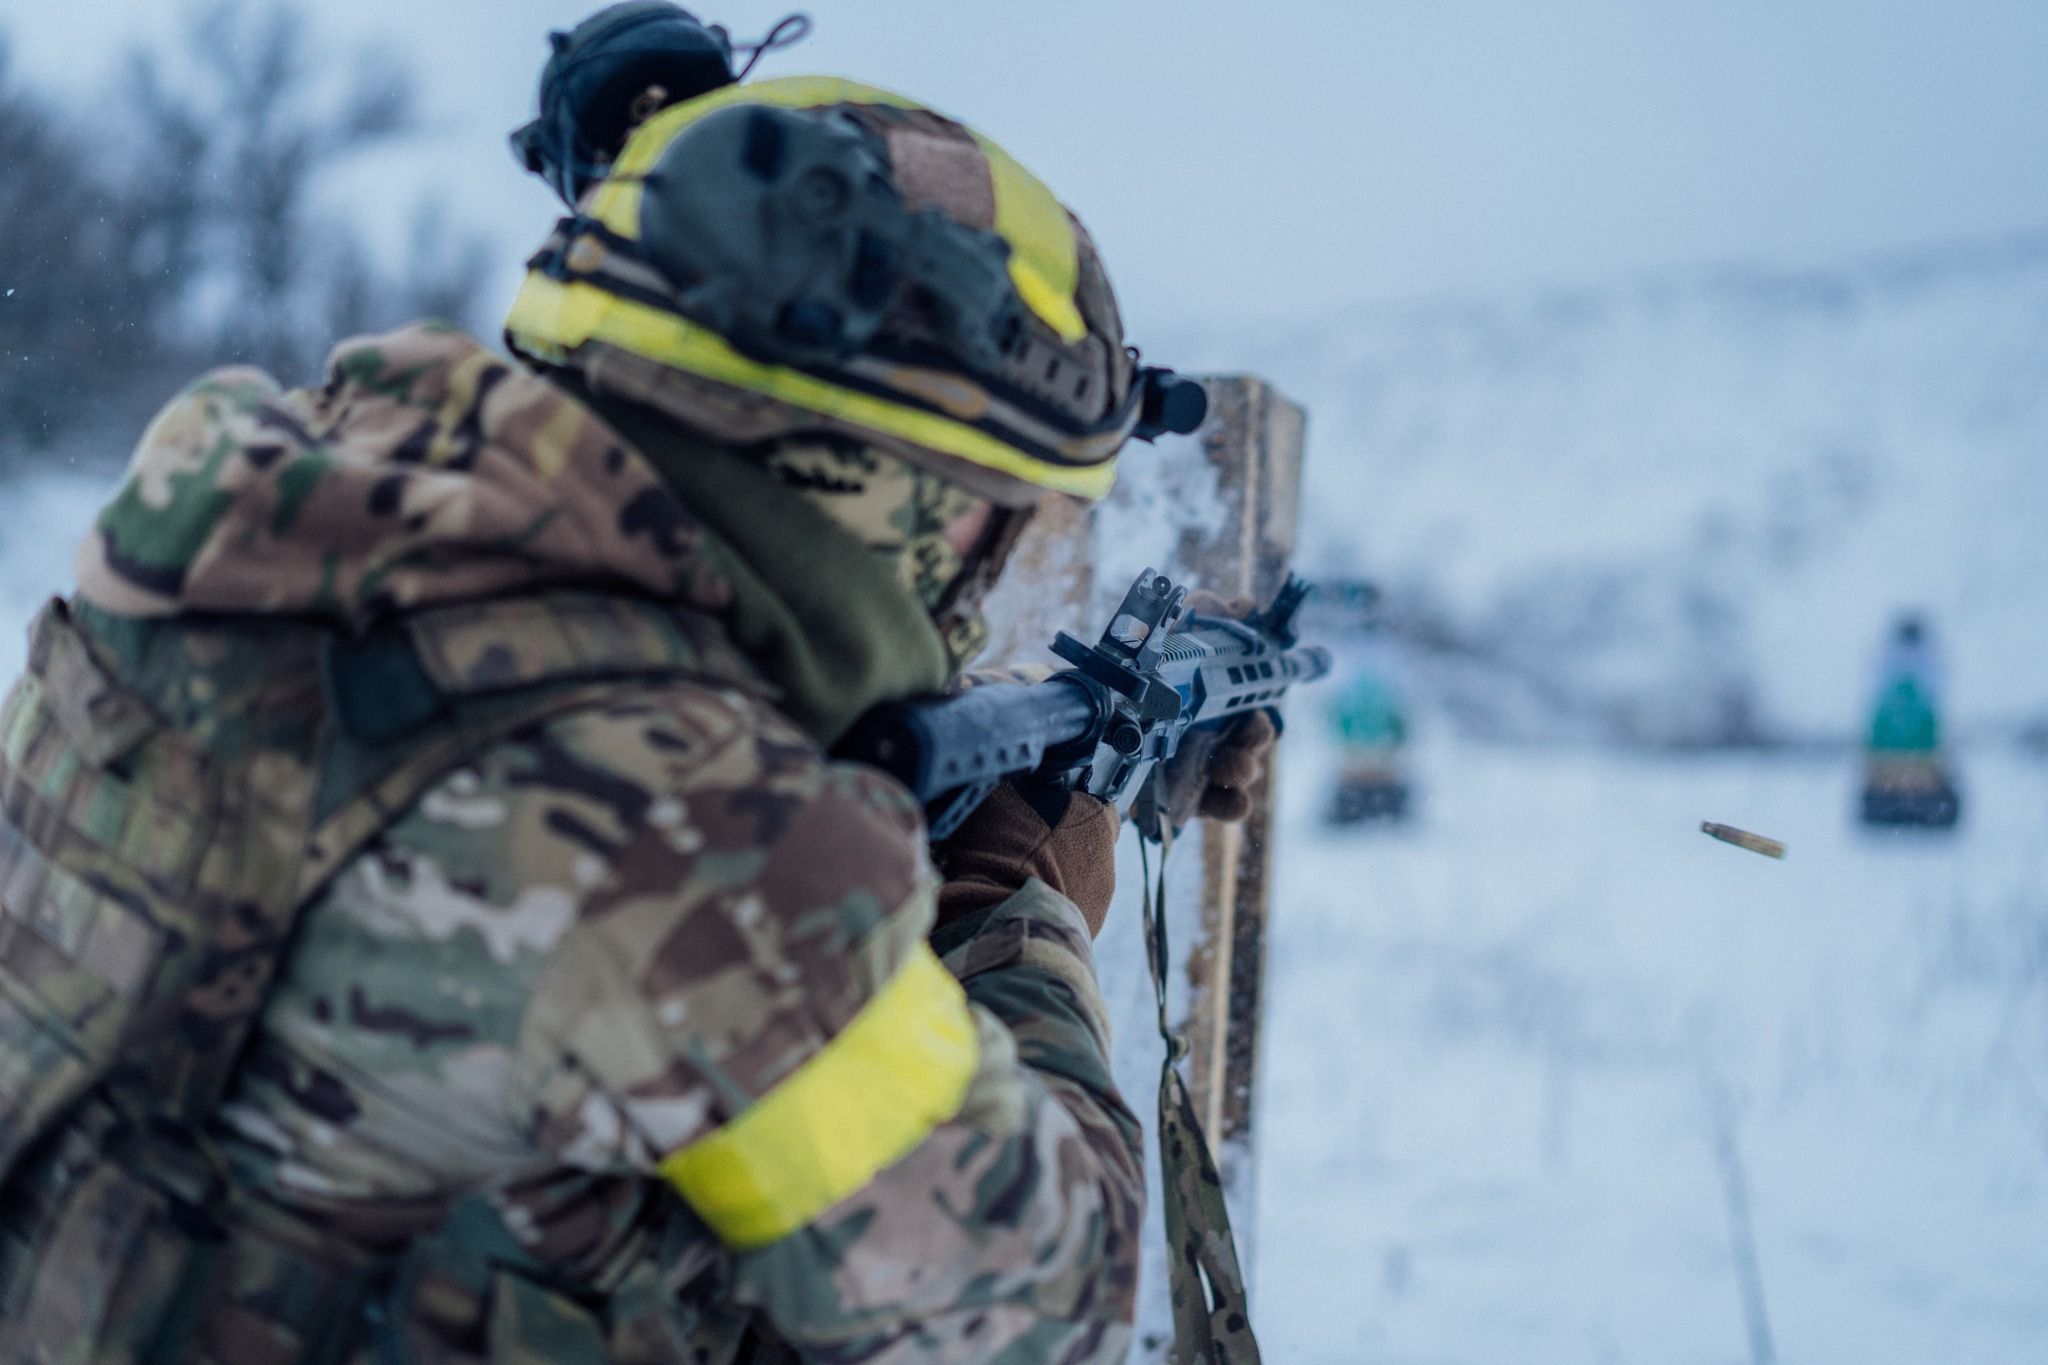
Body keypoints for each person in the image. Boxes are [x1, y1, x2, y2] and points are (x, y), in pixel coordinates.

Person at [0, 6, 1271, 1360]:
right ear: (883, 491)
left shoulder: (241, 544)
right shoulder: (696, 834)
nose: (981, 573)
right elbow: (1038, 1305)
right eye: (998, 513)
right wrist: (1017, 908)